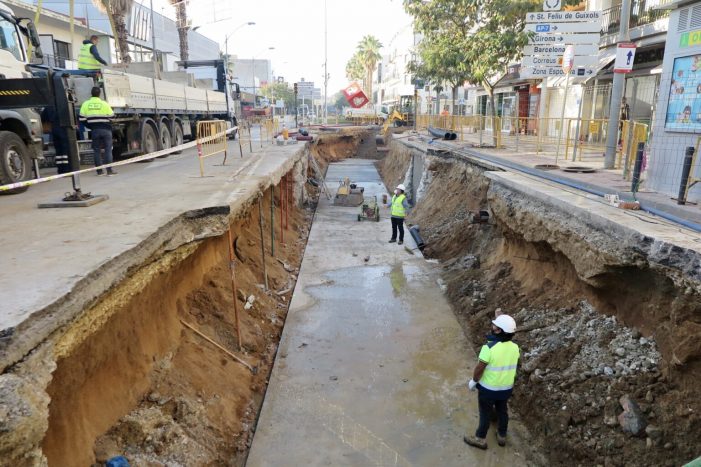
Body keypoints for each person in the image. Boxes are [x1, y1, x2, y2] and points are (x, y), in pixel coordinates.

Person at [464, 314, 520, 450]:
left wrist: (474, 381)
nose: (492, 326)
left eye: (494, 326)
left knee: (484, 413)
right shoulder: (515, 348)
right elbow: (515, 366)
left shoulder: (488, 348)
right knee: (503, 410)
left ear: (499, 330)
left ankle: (480, 438)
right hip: (506, 389)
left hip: (488, 390)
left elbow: (479, 368)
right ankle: (502, 436)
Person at [79, 86, 117, 176]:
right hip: (106, 130)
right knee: (108, 149)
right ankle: (109, 170)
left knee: (96, 150)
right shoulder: (104, 104)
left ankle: (99, 171)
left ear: (91, 94)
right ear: (99, 94)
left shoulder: (85, 104)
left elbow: (81, 119)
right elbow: (112, 117)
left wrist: (91, 126)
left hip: (95, 130)